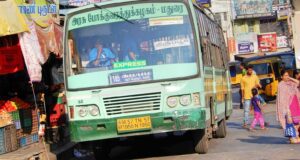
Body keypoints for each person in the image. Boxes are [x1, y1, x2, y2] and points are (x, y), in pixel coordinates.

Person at [276, 70, 300, 143]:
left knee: (297, 122)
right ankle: (292, 137)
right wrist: (287, 110)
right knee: (290, 122)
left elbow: (298, 82)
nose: (287, 77)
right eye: (285, 75)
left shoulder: (291, 83)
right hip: (287, 107)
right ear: (281, 77)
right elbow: (281, 99)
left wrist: (291, 78)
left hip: (295, 104)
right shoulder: (281, 85)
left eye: (288, 75)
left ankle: (296, 135)